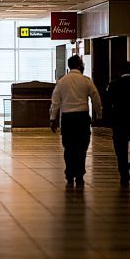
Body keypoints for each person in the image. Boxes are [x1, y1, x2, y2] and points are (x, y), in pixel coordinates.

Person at [49, 55, 102, 188]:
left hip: (67, 119)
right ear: (79, 65)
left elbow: (55, 102)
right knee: (81, 147)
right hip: (82, 118)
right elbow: (95, 98)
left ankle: (69, 173)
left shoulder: (62, 81)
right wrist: (99, 115)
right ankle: (79, 174)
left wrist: (53, 119)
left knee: (69, 147)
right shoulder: (86, 81)